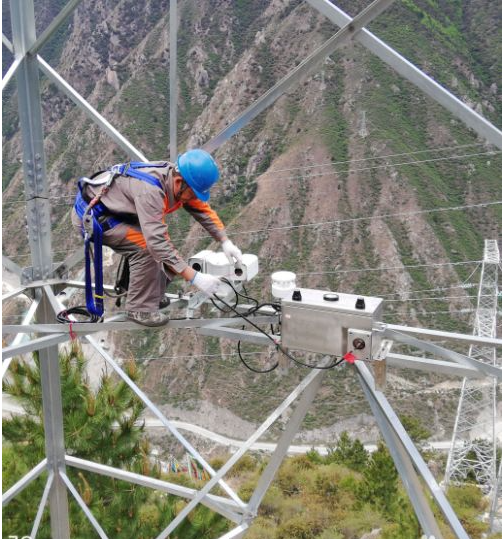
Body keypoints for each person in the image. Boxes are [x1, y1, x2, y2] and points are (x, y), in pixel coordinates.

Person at [72, 149, 243, 326]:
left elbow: (201, 209)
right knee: (148, 247)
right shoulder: (152, 190)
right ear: (179, 182)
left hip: (118, 212)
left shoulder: (178, 179)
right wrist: (195, 277)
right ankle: (140, 309)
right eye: (193, 193)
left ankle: (151, 295)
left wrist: (225, 241)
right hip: (95, 218)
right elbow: (157, 244)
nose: (193, 198)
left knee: (162, 245)